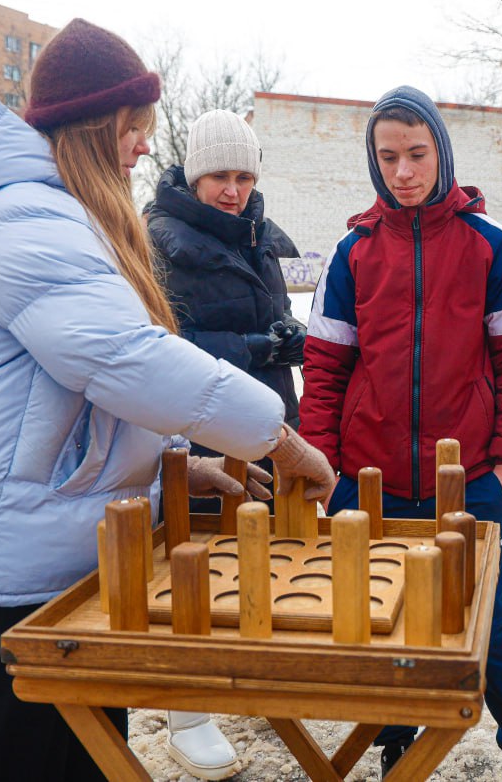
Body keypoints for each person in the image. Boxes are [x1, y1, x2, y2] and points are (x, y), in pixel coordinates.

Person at [0, 18, 334, 782]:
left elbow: (76, 407)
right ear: (97, 126)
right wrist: (280, 440)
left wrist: (172, 472)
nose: (145, 147)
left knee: (84, 765)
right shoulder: (25, 219)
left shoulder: (54, 216)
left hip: (47, 565)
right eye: (135, 128)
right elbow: (125, 362)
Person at [301, 85, 502, 775]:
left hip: (466, 482)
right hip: (368, 485)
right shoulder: (352, 252)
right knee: (384, 627)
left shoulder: (491, 245)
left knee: (488, 628)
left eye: (416, 154)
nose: (402, 171)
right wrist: (329, 475)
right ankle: (396, 742)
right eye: (388, 157)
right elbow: (323, 371)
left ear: (441, 150)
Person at [145, 108, 305, 780]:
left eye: (243, 175)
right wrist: (253, 346)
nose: (233, 189)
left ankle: (250, 680)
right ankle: (189, 714)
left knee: (259, 559)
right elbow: (161, 345)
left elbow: (262, 314)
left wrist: (286, 333)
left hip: (263, 419)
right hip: (201, 434)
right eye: (219, 175)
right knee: (198, 569)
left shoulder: (258, 235)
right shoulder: (161, 239)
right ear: (192, 173)